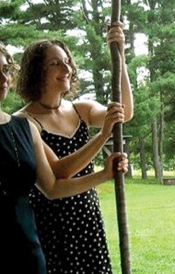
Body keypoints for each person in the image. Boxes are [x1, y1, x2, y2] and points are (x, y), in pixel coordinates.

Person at [13, 22, 134, 274]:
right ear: (36, 71)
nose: (66, 68)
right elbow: (59, 172)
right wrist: (102, 137)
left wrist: (119, 56)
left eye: (67, 61)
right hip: (53, 225)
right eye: (56, 63)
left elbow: (125, 112)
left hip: (87, 216)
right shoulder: (25, 122)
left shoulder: (81, 109)